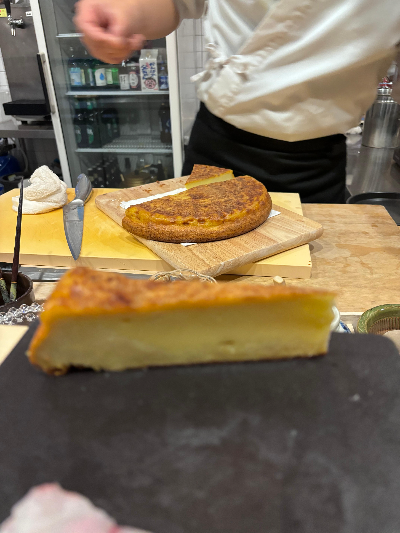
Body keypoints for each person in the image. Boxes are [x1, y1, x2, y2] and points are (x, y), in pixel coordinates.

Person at [74, 0, 400, 203]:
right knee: (199, 277)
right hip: (217, 145)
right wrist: (127, 11)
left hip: (316, 162)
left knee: (303, 289)